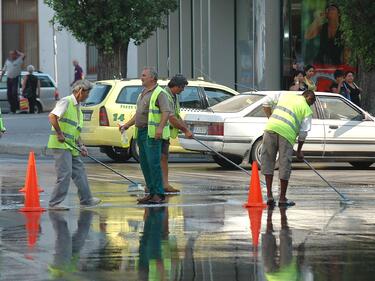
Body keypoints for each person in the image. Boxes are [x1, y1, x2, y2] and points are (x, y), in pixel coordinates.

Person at [47, 79, 101, 210]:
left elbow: (75, 130)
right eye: (87, 94)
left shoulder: (78, 108)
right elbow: (52, 116)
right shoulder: (66, 101)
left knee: (80, 172)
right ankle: (54, 203)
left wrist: (81, 145)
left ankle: (87, 199)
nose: (88, 96)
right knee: (65, 174)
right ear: (80, 91)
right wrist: (59, 133)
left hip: (71, 146)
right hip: (61, 145)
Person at [120, 68, 171, 204]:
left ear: (152, 78)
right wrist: (127, 125)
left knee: (153, 164)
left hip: (152, 133)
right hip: (141, 132)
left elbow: (166, 112)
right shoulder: (142, 93)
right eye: (141, 75)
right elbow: (138, 114)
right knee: (145, 164)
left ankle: (159, 194)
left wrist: (159, 128)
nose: (141, 77)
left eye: (144, 75)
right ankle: (150, 192)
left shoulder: (159, 93)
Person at [261, 90, 316, 207]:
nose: (311, 104)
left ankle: (270, 196)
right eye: (311, 100)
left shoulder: (286, 96)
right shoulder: (306, 110)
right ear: (306, 96)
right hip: (287, 135)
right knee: (284, 164)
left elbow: (266, 102)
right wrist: (299, 151)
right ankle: (282, 198)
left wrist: (270, 118)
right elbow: (303, 133)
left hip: (270, 128)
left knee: (268, 161)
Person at [162, 74, 193, 193]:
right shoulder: (164, 95)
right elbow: (171, 117)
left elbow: (176, 115)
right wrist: (185, 130)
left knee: (163, 159)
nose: (183, 90)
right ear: (177, 86)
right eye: (182, 87)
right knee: (159, 160)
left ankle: (164, 185)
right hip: (158, 132)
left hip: (164, 133)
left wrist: (186, 128)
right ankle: (156, 186)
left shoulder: (173, 96)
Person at [48, 210, 93, 278]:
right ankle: (55, 210)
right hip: (66, 267)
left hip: (62, 269)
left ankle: (55, 210)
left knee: (79, 234)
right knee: (80, 234)